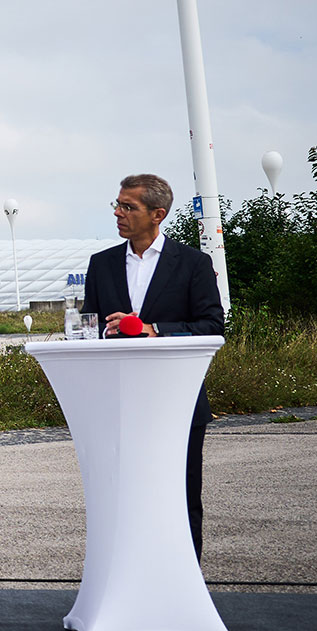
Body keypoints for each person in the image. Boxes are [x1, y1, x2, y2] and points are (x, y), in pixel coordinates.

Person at [82, 173, 225, 557]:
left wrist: (155, 330)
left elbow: (212, 325)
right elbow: (87, 327)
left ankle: (184, 584)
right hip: (117, 403)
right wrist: (99, 332)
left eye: (129, 207)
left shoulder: (193, 264)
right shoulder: (102, 265)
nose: (118, 213)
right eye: (117, 204)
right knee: (121, 499)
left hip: (175, 401)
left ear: (157, 214)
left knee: (179, 496)